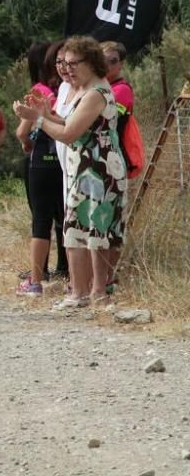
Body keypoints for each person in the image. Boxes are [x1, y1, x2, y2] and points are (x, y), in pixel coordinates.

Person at [13, 36, 127, 309]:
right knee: (77, 229)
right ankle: (83, 292)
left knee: (95, 231)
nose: (67, 68)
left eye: (74, 63)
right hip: (84, 169)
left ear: (91, 62)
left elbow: (68, 133)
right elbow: (68, 122)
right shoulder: (84, 90)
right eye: (63, 63)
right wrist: (45, 114)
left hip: (99, 171)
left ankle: (94, 292)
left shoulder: (97, 92)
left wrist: (37, 120)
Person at [14, 42, 67, 296]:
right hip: (66, 160)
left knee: (41, 220)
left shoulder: (40, 91)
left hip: (42, 161)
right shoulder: (69, 90)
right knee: (65, 218)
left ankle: (37, 277)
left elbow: (23, 131)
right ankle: (67, 271)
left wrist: (25, 141)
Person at [101, 41, 133, 292]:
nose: (106, 65)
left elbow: (105, 121)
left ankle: (107, 280)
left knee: (110, 224)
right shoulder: (103, 88)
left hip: (114, 162)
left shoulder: (120, 91)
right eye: (101, 59)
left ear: (120, 63)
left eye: (112, 60)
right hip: (101, 162)